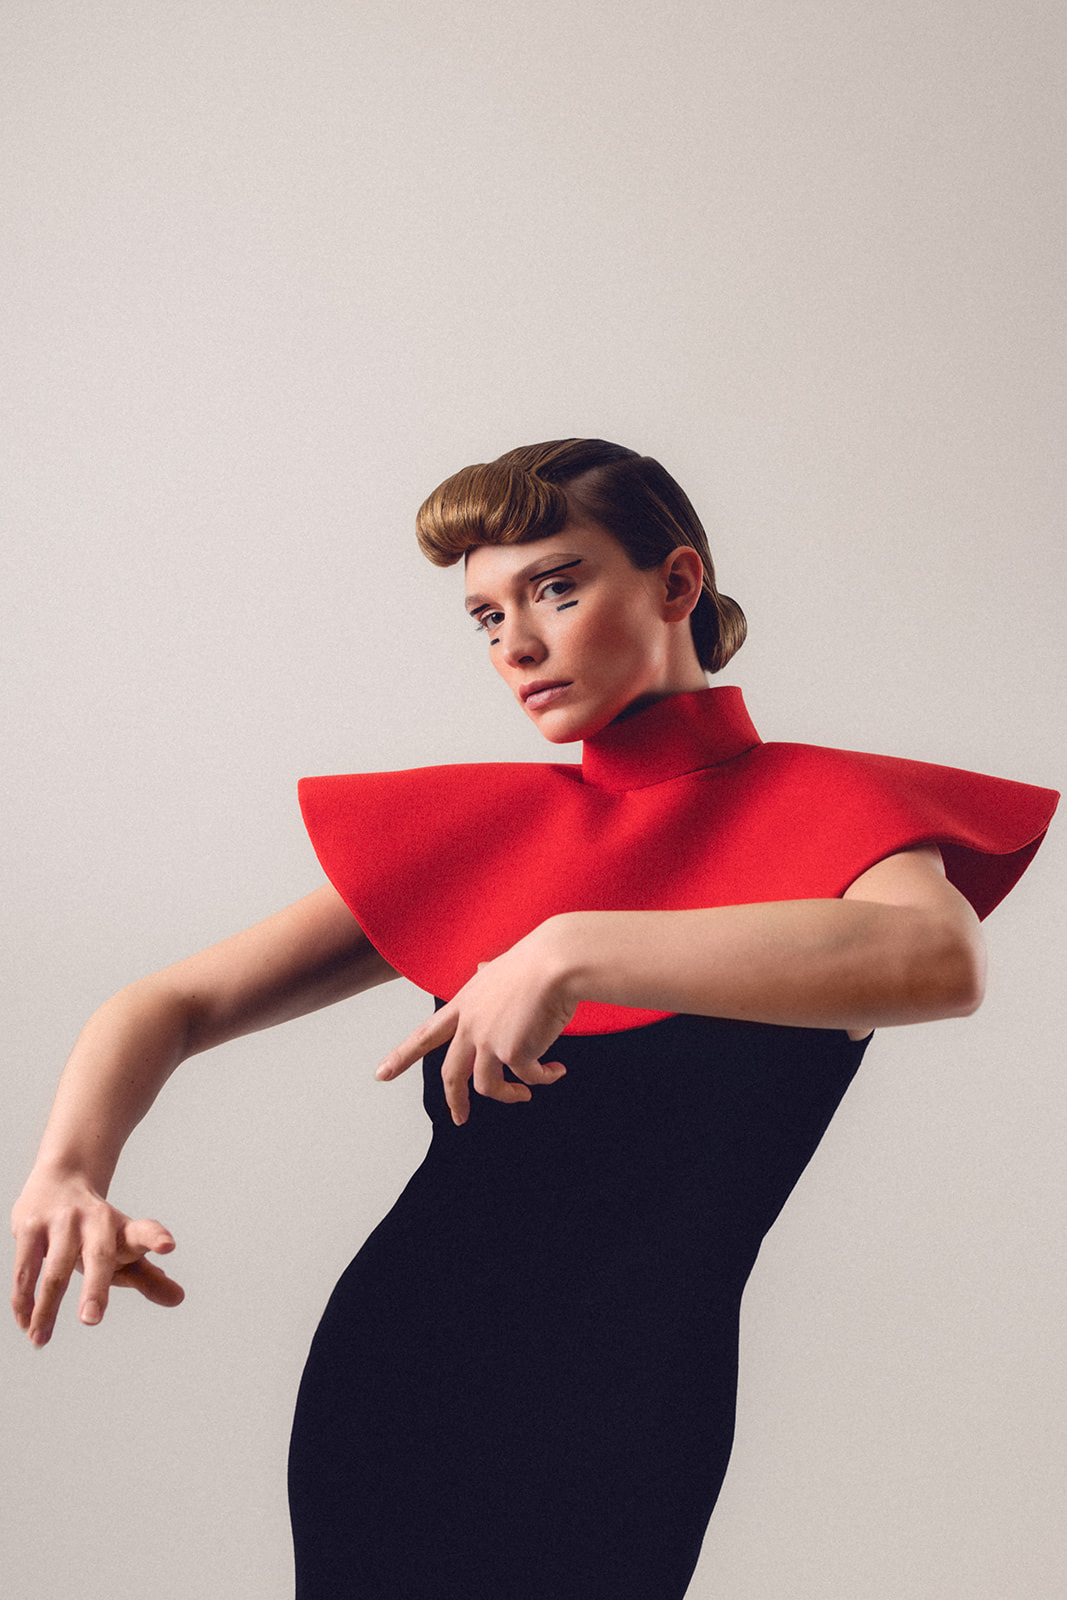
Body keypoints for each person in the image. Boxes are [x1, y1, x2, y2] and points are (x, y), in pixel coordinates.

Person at [11, 439, 1057, 1600]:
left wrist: (568, 946)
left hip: (637, 1404)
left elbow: (937, 960)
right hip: (400, 1378)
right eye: (481, 616)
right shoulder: (488, 830)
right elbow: (171, 1001)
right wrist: (67, 1168)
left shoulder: (837, 812)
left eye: (554, 587)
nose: (513, 644)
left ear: (674, 584)